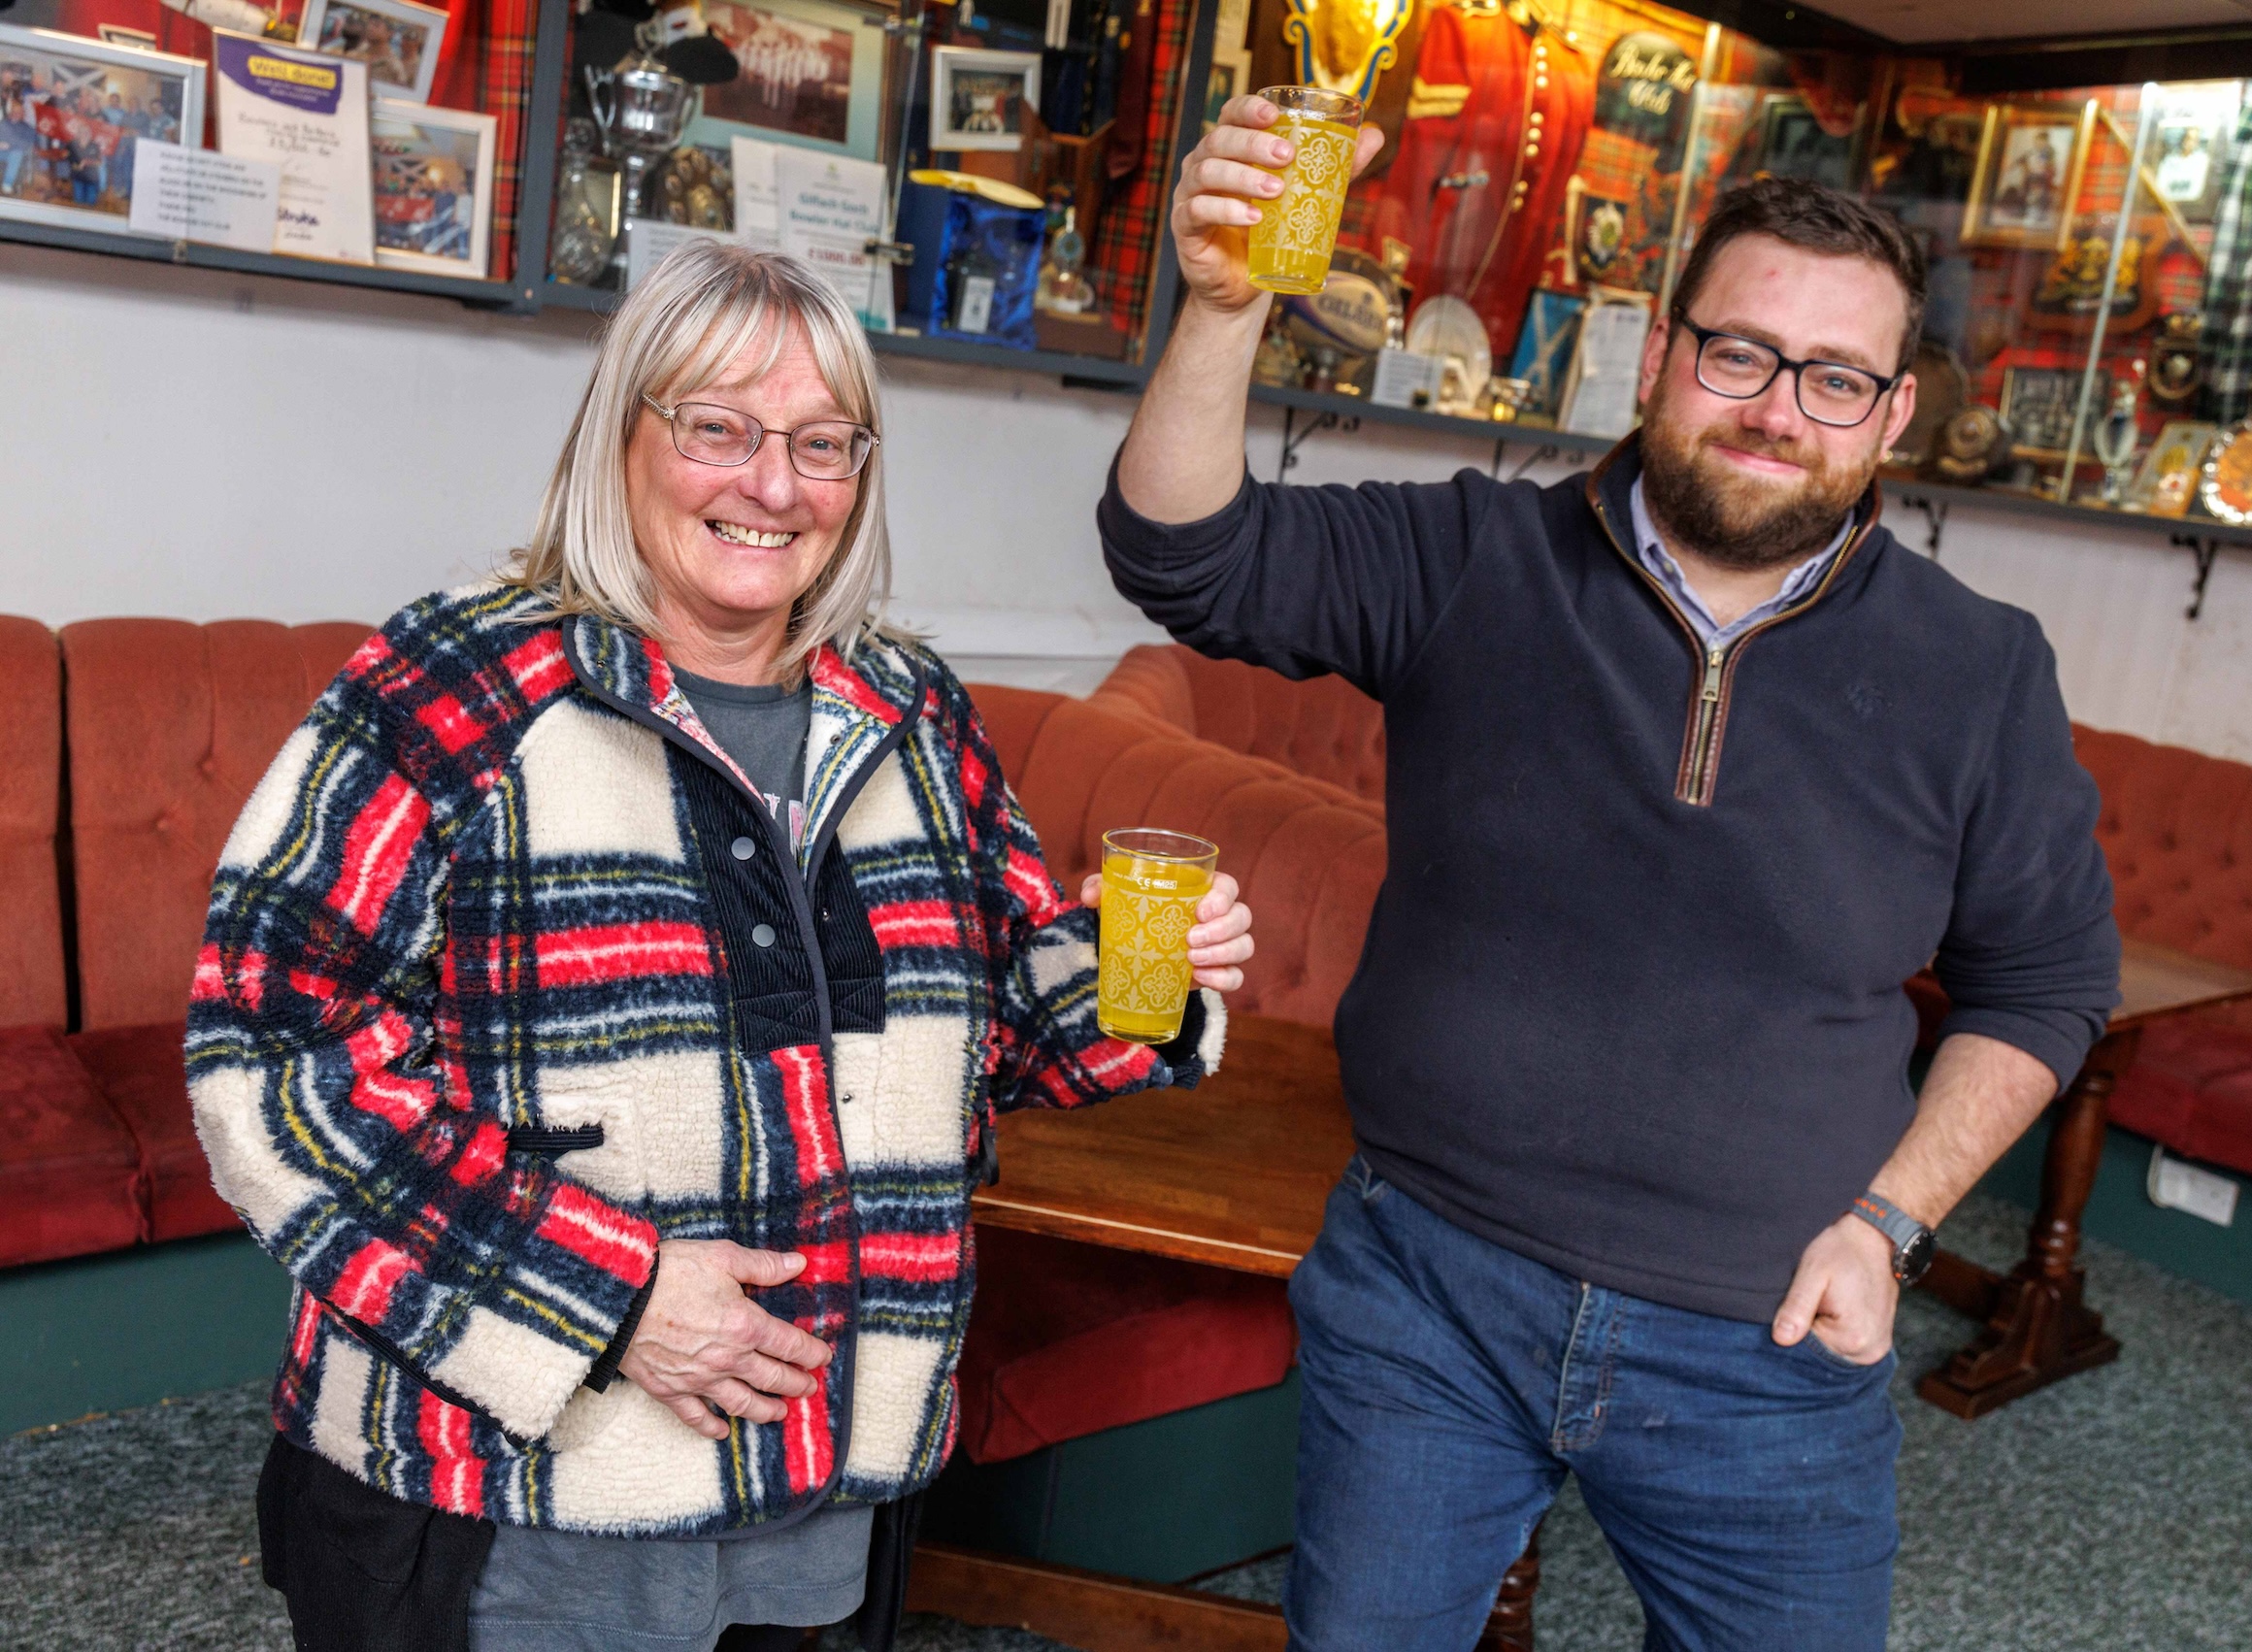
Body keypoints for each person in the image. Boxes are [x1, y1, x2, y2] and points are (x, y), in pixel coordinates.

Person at [1101, 111, 2120, 1651]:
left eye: (1836, 378)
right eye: (1741, 354)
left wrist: (1890, 1225)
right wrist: (1224, 309)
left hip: (1773, 1335)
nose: (1778, 411)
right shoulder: (1475, 559)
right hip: (1428, 1296)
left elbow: (2044, 982)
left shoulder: (1980, 670)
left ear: (1893, 413)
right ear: (1659, 355)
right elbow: (1186, 554)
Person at [188, 243, 1255, 1652]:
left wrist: (1140, 975)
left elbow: (994, 1032)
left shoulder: (911, 710)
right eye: (719, 428)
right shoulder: (457, 684)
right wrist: (609, 1293)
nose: (774, 484)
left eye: (822, 443)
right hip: (512, 1500)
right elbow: (269, 1061)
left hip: (825, 1482)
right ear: (622, 435)